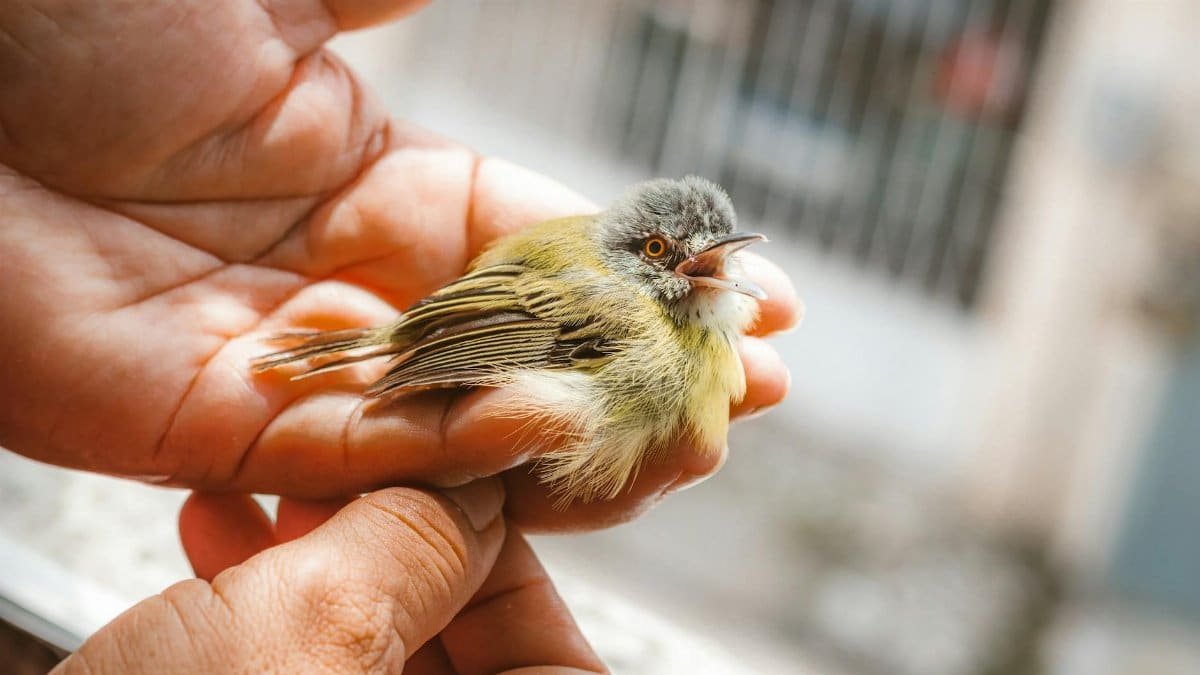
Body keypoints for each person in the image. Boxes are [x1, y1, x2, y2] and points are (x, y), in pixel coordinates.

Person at [0, 0, 799, 671]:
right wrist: (411, 364)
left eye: (703, 256)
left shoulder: (690, 334)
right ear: (633, 252)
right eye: (661, 252)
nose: (686, 269)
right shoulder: (634, 319)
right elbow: (501, 331)